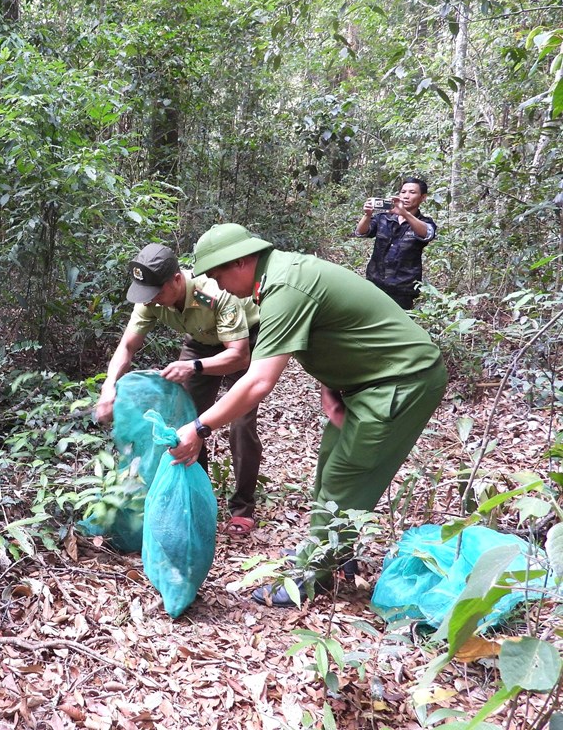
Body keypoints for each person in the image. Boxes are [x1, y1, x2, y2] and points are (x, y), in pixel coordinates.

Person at [169, 224, 447, 607]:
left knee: (346, 477)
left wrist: (200, 427)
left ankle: (310, 576)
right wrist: (332, 384)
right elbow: (336, 330)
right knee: (329, 471)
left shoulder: (285, 287)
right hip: (366, 384)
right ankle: (334, 553)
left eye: (218, 274)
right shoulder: (279, 277)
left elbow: (257, 382)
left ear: (244, 261)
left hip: (401, 381)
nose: (216, 284)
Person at [95, 243, 263, 535]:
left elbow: (239, 356)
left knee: (241, 423)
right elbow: (127, 346)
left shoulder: (214, 293)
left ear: (176, 279)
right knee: (186, 421)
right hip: (200, 342)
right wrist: (109, 387)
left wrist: (194, 366)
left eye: (158, 293)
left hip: (243, 342)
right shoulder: (150, 298)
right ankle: (197, 498)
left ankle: (242, 507)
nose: (154, 301)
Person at [355, 177, 437, 309]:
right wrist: (367, 215)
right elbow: (361, 232)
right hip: (375, 284)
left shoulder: (425, 222)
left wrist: (404, 213)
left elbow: (427, 234)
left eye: (412, 192)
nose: (406, 196)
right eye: (403, 192)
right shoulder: (383, 218)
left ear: (423, 197)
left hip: (403, 290)